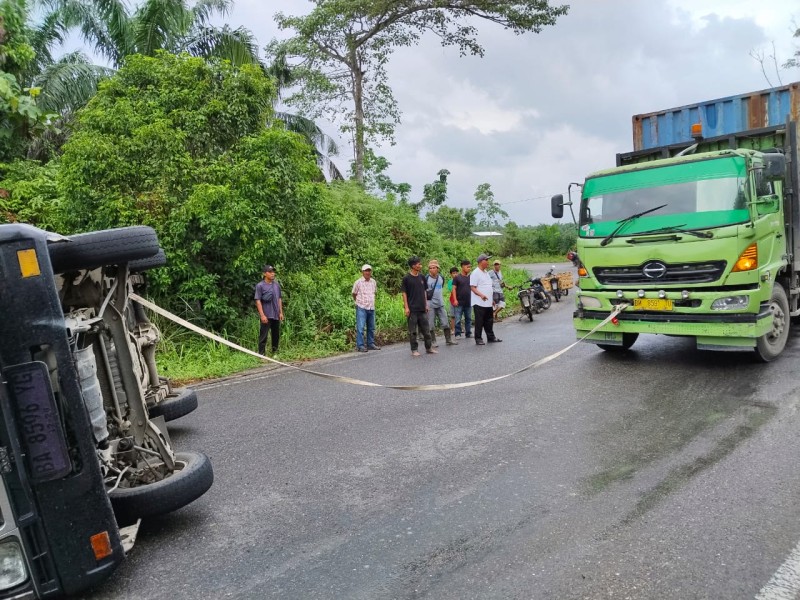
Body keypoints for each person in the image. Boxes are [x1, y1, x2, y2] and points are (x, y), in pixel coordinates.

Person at [401, 256, 436, 357]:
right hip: (412, 309)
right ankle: (414, 349)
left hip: (422, 308)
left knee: (426, 330)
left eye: (420, 264)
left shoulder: (422, 277)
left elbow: (424, 291)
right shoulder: (406, 278)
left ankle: (429, 348)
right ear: (413, 266)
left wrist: (426, 304)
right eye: (418, 264)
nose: (420, 265)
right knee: (413, 332)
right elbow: (404, 293)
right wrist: (406, 308)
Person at [470, 253, 502, 345]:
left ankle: (491, 337)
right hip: (479, 302)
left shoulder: (486, 273)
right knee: (479, 321)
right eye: (486, 260)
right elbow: (472, 287)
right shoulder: (475, 273)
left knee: (489, 321)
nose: (488, 262)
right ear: (481, 261)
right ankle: (478, 338)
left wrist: (491, 299)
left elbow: (488, 286)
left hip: (488, 302)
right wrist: (481, 295)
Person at [425, 260, 457, 347]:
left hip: (440, 304)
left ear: (438, 268)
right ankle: (433, 341)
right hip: (430, 305)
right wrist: (425, 304)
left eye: (434, 268)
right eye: (430, 268)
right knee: (431, 324)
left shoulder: (441, 278)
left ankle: (448, 339)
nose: (432, 269)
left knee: (445, 322)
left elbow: (441, 287)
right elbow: (423, 291)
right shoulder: (426, 278)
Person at [254, 264, 284, 356]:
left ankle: (275, 353)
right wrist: (262, 315)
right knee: (263, 336)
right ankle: (261, 355)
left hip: (276, 314)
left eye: (273, 272)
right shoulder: (260, 286)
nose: (272, 274)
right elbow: (258, 301)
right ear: (264, 274)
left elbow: (279, 299)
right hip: (266, 315)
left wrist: (281, 312)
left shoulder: (276, 285)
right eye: (270, 272)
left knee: (276, 335)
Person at [352, 264, 379, 352]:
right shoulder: (358, 282)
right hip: (361, 307)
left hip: (371, 307)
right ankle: (360, 345)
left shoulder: (373, 282)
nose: (368, 272)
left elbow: (374, 292)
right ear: (362, 272)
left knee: (371, 327)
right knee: (360, 327)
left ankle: (370, 344)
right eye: (366, 271)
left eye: (369, 270)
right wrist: (358, 302)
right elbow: (354, 293)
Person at [452, 259, 473, 338]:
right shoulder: (457, 278)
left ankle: (468, 333)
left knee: (469, 318)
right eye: (467, 267)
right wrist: (455, 299)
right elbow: (454, 289)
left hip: (469, 301)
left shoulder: (471, 277)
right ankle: (457, 333)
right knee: (458, 319)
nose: (469, 268)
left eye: (470, 267)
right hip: (459, 302)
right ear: (463, 267)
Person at [447, 266, 458, 332]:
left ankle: (459, 329)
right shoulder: (450, 282)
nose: (455, 274)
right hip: (452, 301)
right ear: (451, 274)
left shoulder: (460, 280)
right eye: (453, 273)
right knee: (453, 316)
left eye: (456, 273)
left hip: (459, 300)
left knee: (458, 316)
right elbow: (452, 290)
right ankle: (453, 329)